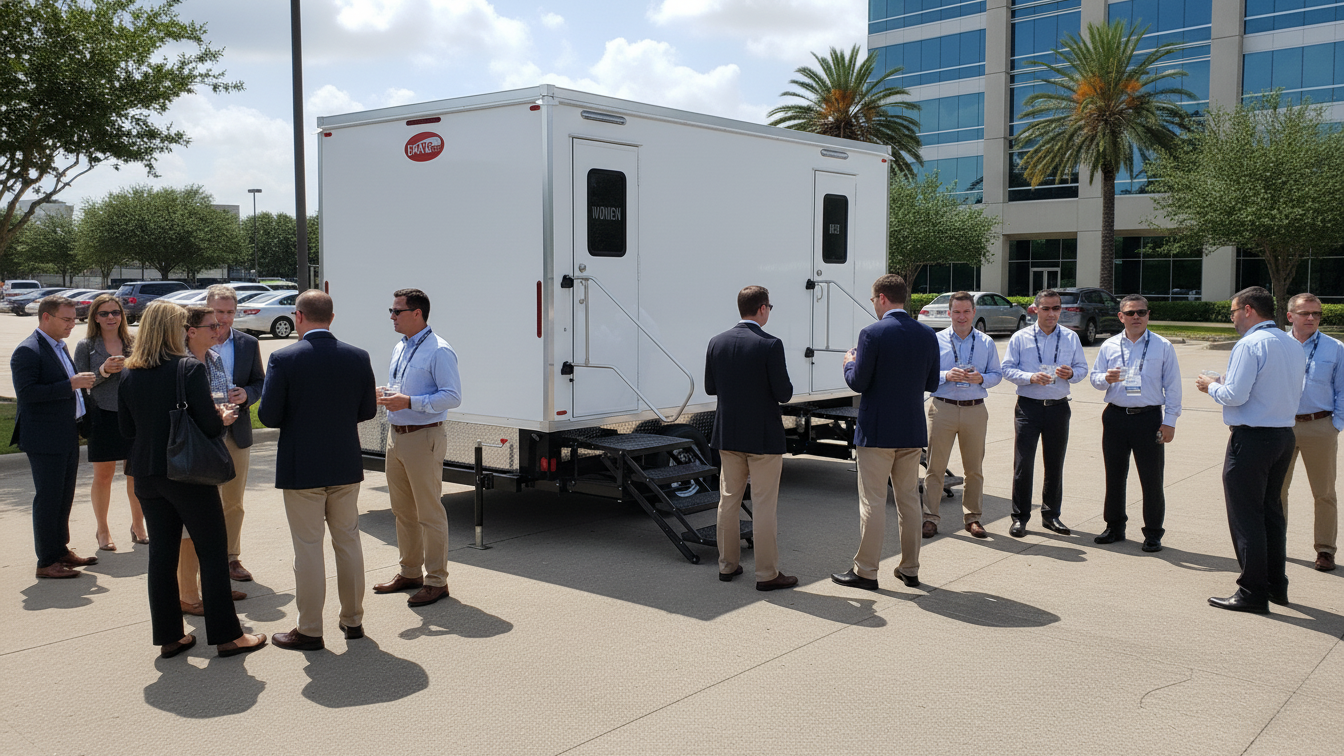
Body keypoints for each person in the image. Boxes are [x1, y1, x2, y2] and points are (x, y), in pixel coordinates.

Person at [118, 300, 266, 658]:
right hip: (186, 475)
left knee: (161, 557)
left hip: (147, 475)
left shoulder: (129, 371)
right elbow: (211, 425)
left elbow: (126, 428)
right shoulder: (187, 369)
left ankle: (171, 637)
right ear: (177, 329)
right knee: (213, 552)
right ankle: (229, 636)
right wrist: (223, 417)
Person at [260, 291, 378, 650]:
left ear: (298, 317)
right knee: (349, 542)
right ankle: (353, 619)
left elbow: (268, 416)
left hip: (302, 467)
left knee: (309, 549)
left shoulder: (283, 358)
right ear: (332, 317)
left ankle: (310, 629)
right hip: (344, 463)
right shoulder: (358, 356)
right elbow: (368, 410)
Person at [1196, 286, 1306, 614]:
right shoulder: (1292, 342)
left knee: (1247, 516)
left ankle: (1252, 591)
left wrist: (1210, 386)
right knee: (1271, 513)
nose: (1231, 319)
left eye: (1232, 312)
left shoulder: (1251, 344)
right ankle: (1275, 584)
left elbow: (1235, 396)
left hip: (1253, 439)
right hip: (1283, 436)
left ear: (1247, 310)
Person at [831, 274, 940, 591]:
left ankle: (866, 571)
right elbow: (932, 384)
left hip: (877, 431)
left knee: (873, 503)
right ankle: (910, 568)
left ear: (881, 298)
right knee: (909, 502)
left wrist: (849, 362)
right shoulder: (926, 334)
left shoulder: (871, 333)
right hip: (911, 430)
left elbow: (858, 382)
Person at [704, 285, 796, 591]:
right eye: (769, 307)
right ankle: (767, 574)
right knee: (764, 505)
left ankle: (727, 565)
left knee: (728, 501)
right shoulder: (771, 344)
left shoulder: (716, 342)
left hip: (727, 433)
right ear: (762, 308)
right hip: (763, 436)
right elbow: (784, 393)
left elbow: (710, 388)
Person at [374, 288, 462, 607]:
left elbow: (452, 396)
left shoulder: (439, 350)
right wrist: (386, 394)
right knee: (402, 510)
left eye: (397, 311)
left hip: (423, 436)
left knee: (429, 512)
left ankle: (436, 580)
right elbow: (402, 387)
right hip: (397, 435)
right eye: (392, 311)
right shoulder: (402, 346)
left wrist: (410, 401)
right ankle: (410, 572)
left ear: (417, 314)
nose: (392, 317)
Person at [11, 295, 99, 579]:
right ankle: (46, 561)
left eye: (74, 319)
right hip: (44, 437)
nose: (72, 325)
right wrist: (70, 384)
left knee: (64, 497)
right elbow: (27, 395)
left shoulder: (60, 347)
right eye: (67, 319)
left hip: (66, 432)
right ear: (46, 317)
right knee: (48, 499)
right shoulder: (28, 350)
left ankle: (60, 549)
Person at [1087, 295, 1182, 552]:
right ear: (1121, 317)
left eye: (1141, 312)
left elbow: (1173, 387)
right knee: (1114, 476)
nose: (1136, 317)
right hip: (1116, 416)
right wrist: (1105, 377)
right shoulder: (1108, 346)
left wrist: (1170, 421)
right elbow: (1095, 379)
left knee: (1151, 479)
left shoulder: (1162, 346)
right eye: (1130, 313)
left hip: (1149, 419)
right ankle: (1114, 526)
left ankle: (1153, 532)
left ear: (1148, 315)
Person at [1001, 289, 1088, 538]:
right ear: (1035, 309)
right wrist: (1030, 377)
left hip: (1058, 407)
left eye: (1056, 308)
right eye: (1047, 308)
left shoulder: (1070, 338)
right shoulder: (1021, 338)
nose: (1052, 313)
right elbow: (1007, 369)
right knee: (1023, 464)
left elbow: (1082, 369)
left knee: (1054, 464)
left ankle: (1051, 516)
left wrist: (1071, 374)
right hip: (1029, 407)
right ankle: (1020, 518)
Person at [177, 306, 247, 615]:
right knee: (192, 530)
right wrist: (217, 417)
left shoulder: (215, 358)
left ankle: (215, 587)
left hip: (217, 443)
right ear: (191, 332)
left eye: (220, 324)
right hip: (193, 451)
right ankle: (188, 595)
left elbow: (217, 399)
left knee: (215, 523)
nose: (219, 330)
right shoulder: (181, 363)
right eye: (212, 325)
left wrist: (225, 413)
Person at [922, 291, 1002, 539]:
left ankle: (973, 518)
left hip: (975, 409)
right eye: (956, 312)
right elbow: (924, 376)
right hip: (943, 407)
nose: (961, 316)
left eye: (966, 311)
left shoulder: (986, 343)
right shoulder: (935, 341)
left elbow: (997, 374)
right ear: (949, 313)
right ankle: (930, 517)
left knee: (974, 469)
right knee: (935, 467)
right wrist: (946, 375)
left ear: (973, 313)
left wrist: (982, 379)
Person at [74, 294, 147, 551]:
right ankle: (102, 530)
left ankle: (138, 525)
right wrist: (104, 370)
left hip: (133, 414)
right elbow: (81, 383)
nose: (110, 317)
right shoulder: (86, 346)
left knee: (135, 475)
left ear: (122, 316)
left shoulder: (134, 341)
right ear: (95, 317)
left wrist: (131, 366)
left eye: (115, 312)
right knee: (103, 475)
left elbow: (147, 372)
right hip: (102, 415)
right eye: (104, 313)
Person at [204, 285, 266, 583]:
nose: (224, 318)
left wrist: (248, 394)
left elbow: (259, 382)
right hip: (203, 433)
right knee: (204, 500)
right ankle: (206, 559)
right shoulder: (191, 340)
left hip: (236, 432)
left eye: (230, 312)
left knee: (234, 500)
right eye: (218, 311)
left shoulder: (247, 344)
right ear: (207, 308)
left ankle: (231, 558)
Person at [1279, 293, 1342, 572]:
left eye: (1316, 314)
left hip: (1320, 425)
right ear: (1290, 316)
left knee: (1324, 492)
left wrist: (1335, 425)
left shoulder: (1335, 348)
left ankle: (1325, 549)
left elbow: (1342, 389)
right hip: (1280, 425)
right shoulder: (1276, 344)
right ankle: (1275, 543)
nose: (1312, 318)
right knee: (1276, 490)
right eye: (1305, 313)